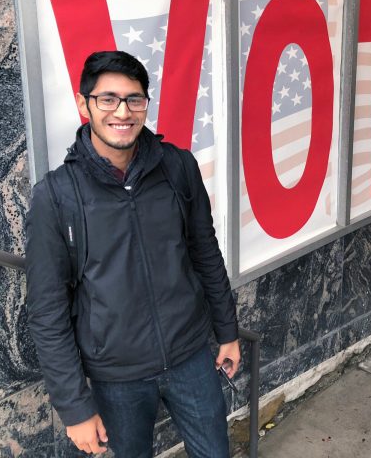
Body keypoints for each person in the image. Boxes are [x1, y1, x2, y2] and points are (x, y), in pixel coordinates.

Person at [25, 50, 239, 458]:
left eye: (134, 99)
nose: (122, 111)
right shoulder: (56, 196)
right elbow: (47, 311)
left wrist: (227, 330)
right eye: (107, 99)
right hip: (116, 378)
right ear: (82, 103)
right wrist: (74, 407)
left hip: (191, 357)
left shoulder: (177, 167)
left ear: (145, 104)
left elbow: (205, 252)